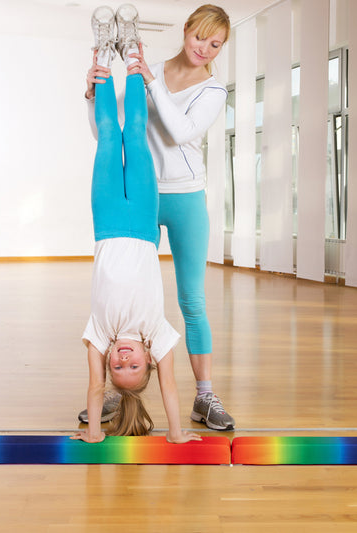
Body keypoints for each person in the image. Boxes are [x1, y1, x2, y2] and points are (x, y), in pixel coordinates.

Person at [79, 3, 235, 431]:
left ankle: (205, 396)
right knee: (132, 288)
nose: (204, 49)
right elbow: (110, 130)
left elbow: (181, 131)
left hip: (183, 195)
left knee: (192, 300)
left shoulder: (212, 90)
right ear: (185, 30)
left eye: (215, 44)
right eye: (199, 37)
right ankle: (121, 386)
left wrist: (148, 80)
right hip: (144, 195)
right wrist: (92, 94)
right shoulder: (152, 70)